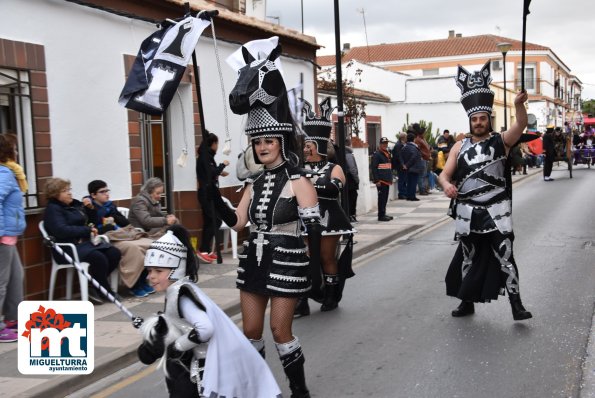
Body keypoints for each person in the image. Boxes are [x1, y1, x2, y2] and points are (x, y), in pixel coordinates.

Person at [212, 40, 321, 398]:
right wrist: (213, 195)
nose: (262, 147)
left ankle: (299, 391)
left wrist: (314, 269)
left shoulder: (299, 180)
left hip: (287, 262)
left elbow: (313, 229)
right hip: (254, 261)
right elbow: (239, 222)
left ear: (280, 140)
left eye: (268, 141)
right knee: (250, 332)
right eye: (257, 141)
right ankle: (257, 390)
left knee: (280, 332)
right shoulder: (252, 181)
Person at [137, 225, 281, 398]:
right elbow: (176, 321)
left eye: (158, 271)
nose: (151, 276)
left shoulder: (181, 295)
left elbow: (205, 328)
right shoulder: (179, 290)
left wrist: (177, 346)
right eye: (149, 270)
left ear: (176, 270)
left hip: (206, 365)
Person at [438, 61, 532, 321]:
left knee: (506, 256)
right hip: (468, 211)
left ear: (489, 119)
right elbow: (444, 174)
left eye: (483, 119)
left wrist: (518, 106)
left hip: (497, 209)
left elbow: (521, 125)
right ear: (470, 120)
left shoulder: (501, 141)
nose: (479, 122)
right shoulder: (459, 146)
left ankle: (516, 305)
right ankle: (466, 302)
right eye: (475, 119)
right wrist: (447, 185)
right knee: (467, 257)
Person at [294, 98, 355, 317]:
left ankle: (330, 295)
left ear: (319, 146)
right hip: (303, 219)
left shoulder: (334, 167)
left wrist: (309, 183)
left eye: (309, 146)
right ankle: (303, 300)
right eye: (304, 146)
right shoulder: (300, 169)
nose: (305, 149)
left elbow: (333, 189)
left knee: (326, 257)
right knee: (303, 259)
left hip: (328, 218)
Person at [43, 178, 121, 304]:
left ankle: (94, 285)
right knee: (98, 257)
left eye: (69, 189)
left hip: (83, 245)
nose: (69, 193)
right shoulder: (53, 209)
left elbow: (92, 221)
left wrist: (90, 209)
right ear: (55, 194)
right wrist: (85, 230)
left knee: (113, 253)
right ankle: (105, 291)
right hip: (66, 249)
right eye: (65, 191)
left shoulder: (73, 205)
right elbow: (61, 230)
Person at [83, 180, 155, 298]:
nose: (106, 194)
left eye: (107, 191)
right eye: (102, 192)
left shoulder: (110, 205)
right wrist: (105, 221)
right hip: (106, 240)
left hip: (120, 235)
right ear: (93, 195)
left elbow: (125, 222)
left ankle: (143, 280)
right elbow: (93, 227)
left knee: (148, 244)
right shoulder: (90, 208)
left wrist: (114, 217)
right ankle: (134, 284)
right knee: (134, 249)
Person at [0, 134, 26, 342]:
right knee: (1, 282)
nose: (16, 152)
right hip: (3, 237)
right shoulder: (3, 173)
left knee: (16, 277)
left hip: (10, 235)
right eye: (14, 149)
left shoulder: (9, 172)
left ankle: (13, 318)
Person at [196, 132, 229, 264]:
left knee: (209, 222)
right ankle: (203, 250)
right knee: (215, 220)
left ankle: (207, 250)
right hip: (206, 193)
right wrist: (223, 165)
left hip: (208, 192)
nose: (217, 146)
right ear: (213, 144)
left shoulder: (207, 156)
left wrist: (220, 172)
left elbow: (210, 173)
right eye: (217, 143)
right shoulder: (205, 156)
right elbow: (210, 173)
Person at [371, 137, 393, 221]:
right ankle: (381, 215)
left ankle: (384, 213)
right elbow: (374, 168)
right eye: (383, 143)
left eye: (386, 143)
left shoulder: (387, 153)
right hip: (381, 180)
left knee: (385, 198)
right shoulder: (377, 154)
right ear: (380, 144)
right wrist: (377, 180)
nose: (385, 145)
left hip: (387, 180)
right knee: (382, 198)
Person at [400, 132, 423, 201]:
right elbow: (414, 157)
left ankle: (408, 196)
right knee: (413, 182)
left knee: (409, 182)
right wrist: (407, 165)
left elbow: (401, 156)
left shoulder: (404, 147)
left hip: (407, 168)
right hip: (414, 167)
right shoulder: (414, 147)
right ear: (414, 139)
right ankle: (412, 196)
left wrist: (404, 165)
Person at [413, 123, 431, 195]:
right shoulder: (418, 140)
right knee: (422, 175)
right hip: (422, 159)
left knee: (424, 174)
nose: (425, 134)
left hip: (426, 158)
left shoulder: (423, 139)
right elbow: (418, 149)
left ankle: (424, 189)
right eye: (424, 133)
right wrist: (424, 154)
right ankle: (422, 190)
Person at [345, 144, 360, 222]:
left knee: (347, 198)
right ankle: (351, 215)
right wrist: (357, 179)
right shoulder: (348, 154)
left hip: (345, 178)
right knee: (353, 197)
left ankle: (348, 215)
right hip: (350, 179)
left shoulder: (341, 153)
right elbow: (352, 168)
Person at [391, 132, 408, 199]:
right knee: (401, 179)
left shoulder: (402, 144)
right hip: (400, 165)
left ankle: (404, 193)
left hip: (403, 164)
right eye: (406, 137)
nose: (407, 138)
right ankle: (401, 194)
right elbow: (398, 156)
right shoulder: (398, 145)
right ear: (403, 137)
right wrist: (402, 164)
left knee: (404, 179)